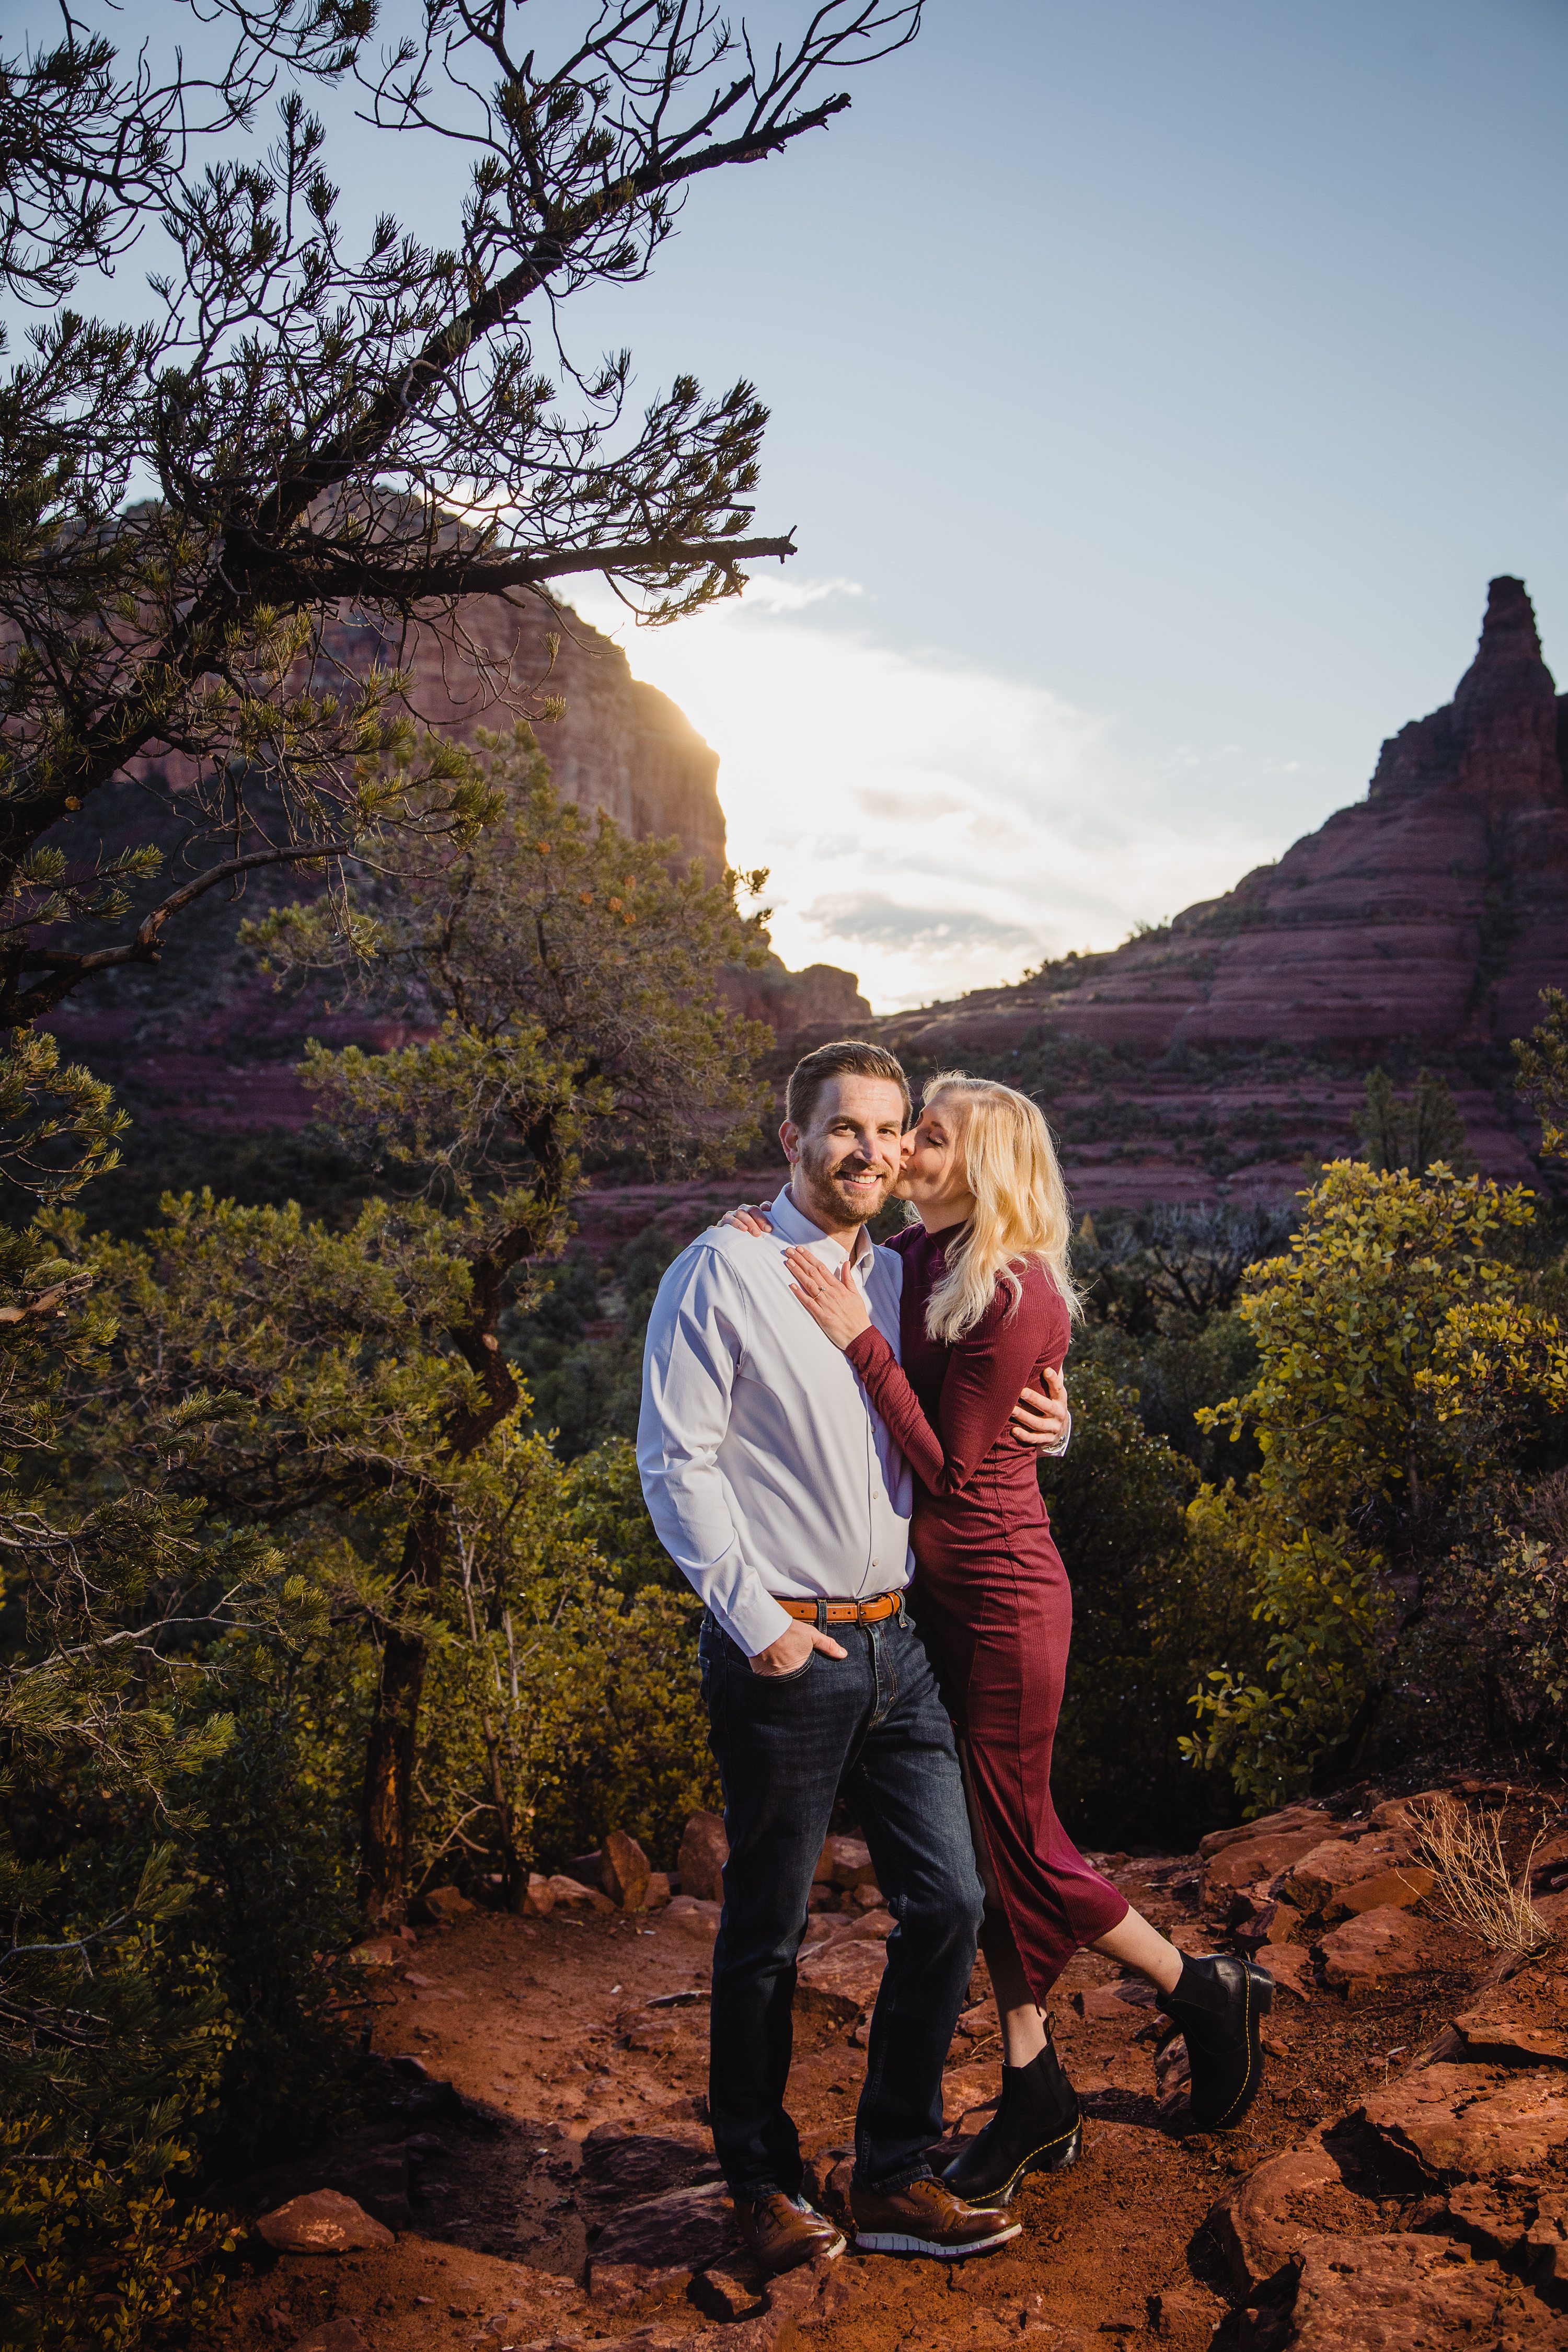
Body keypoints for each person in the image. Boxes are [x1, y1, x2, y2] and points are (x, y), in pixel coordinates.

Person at [723, 1071, 1272, 2206]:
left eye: (930, 1135)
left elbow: (954, 1468)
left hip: (1008, 1598)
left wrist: (860, 1346)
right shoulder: (921, 1258)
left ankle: (1202, 1985)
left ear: (983, 1163)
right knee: (984, 1848)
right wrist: (760, 1222)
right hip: (938, 1600)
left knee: (1018, 1842)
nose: (906, 1148)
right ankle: (1031, 2081)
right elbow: (839, 1220)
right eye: (908, 1130)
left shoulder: (1013, 1290)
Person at [637, 1040, 1072, 2272]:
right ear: (794, 1139)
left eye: (892, 1131)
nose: (874, 1152)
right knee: (766, 1930)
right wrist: (760, 1626)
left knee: (950, 1903)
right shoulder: (720, 1270)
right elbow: (676, 1463)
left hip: (903, 1645)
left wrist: (1060, 1411)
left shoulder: (901, 1271)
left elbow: (974, 1402)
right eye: (847, 1130)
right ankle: (764, 2182)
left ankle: (891, 2171)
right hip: (790, 1643)